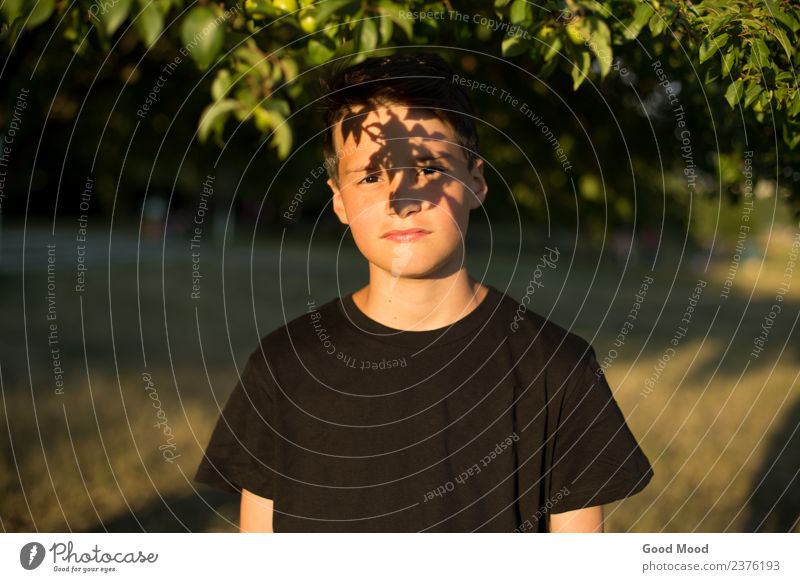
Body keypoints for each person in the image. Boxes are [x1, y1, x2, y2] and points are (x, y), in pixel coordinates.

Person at [193, 52, 653, 533]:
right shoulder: (284, 364)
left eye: (430, 168)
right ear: (338, 200)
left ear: (475, 181)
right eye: (371, 176)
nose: (402, 199)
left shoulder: (558, 368)